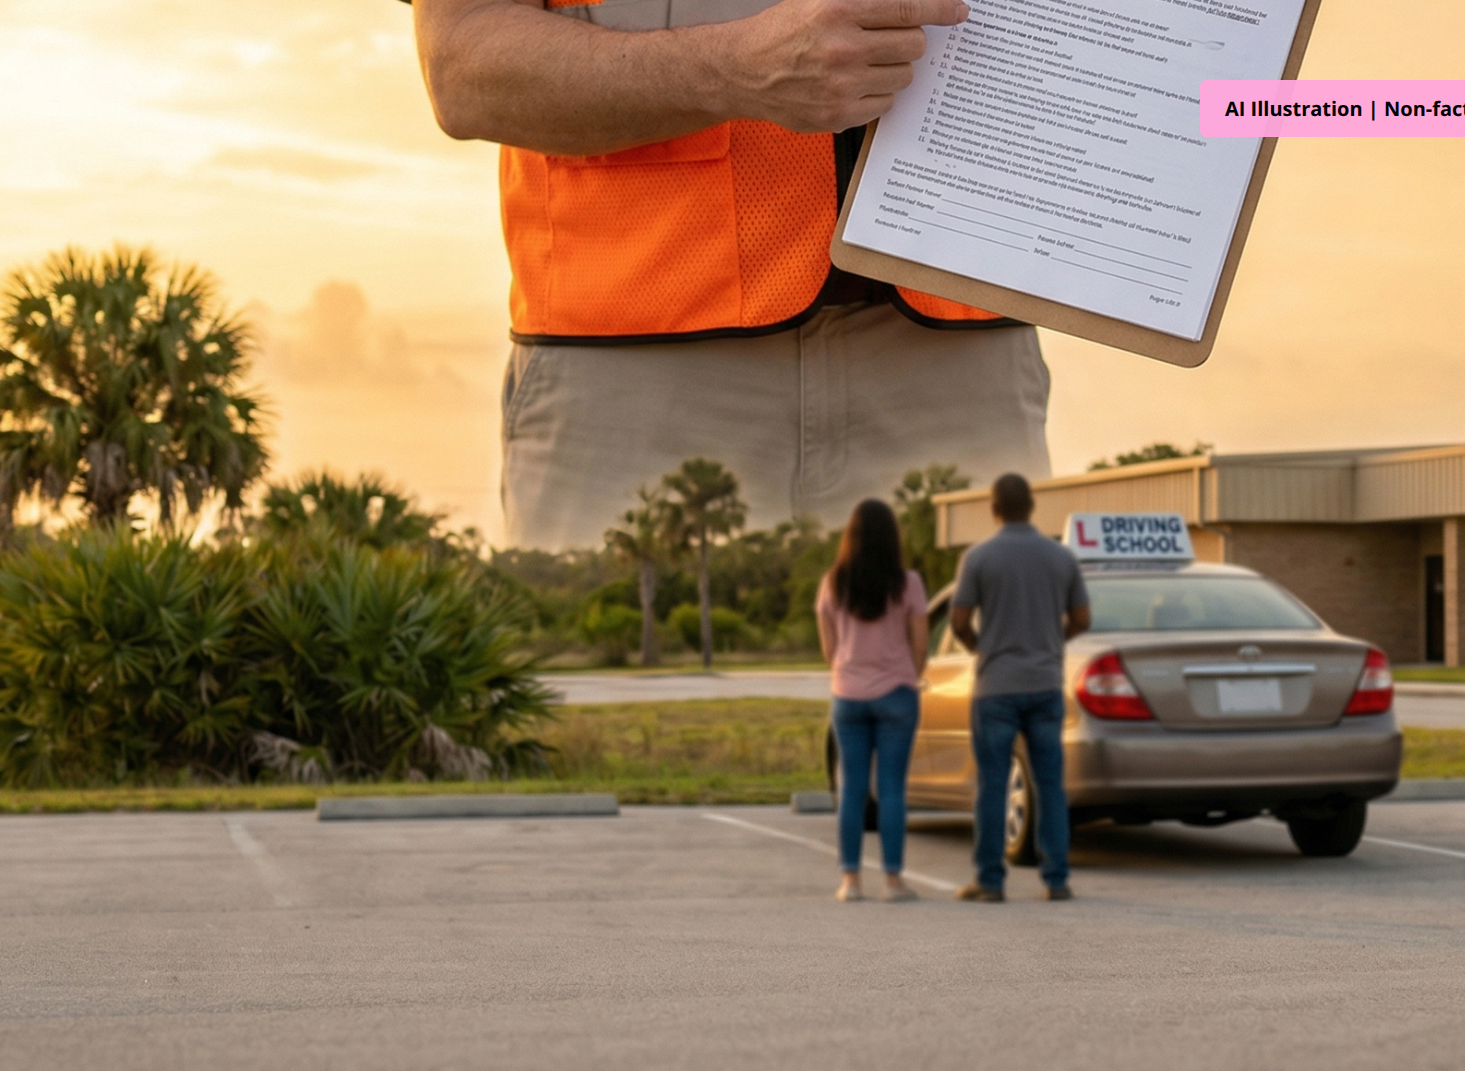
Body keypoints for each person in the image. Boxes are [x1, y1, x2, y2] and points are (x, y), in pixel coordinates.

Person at [409, 0, 1052, 549]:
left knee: (989, 689)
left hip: (963, 359)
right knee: (618, 687)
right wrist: (732, 71)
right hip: (634, 382)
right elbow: (463, 68)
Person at [949, 473, 1090, 902]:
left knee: (992, 783)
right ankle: (1056, 878)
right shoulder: (1061, 557)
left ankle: (990, 881)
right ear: (1032, 507)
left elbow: (958, 621)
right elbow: (1082, 618)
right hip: (1045, 682)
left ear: (994, 509)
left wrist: (982, 649)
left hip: (996, 686)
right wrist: (1050, 644)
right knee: (1050, 783)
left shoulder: (978, 557)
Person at [816, 499, 929, 902]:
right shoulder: (908, 583)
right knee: (893, 789)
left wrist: (850, 669)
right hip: (897, 693)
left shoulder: (833, 582)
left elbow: (828, 648)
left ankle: (851, 881)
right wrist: (906, 676)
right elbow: (921, 644)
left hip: (847, 696)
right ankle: (894, 881)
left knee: (851, 788)